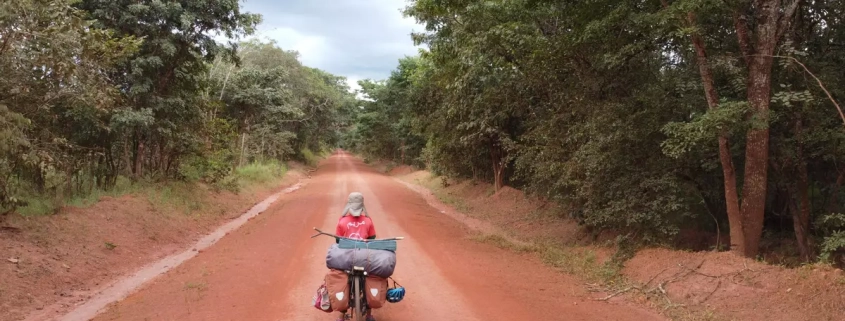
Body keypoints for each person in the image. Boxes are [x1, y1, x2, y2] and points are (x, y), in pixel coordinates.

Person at [335, 192, 376, 321]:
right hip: (364, 257)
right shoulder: (368, 220)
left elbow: (338, 241)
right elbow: (372, 238)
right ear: (362, 206)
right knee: (370, 279)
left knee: (343, 281)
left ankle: (341, 316)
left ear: (349, 205)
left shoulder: (342, 221)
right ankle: (369, 315)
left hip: (347, 258)